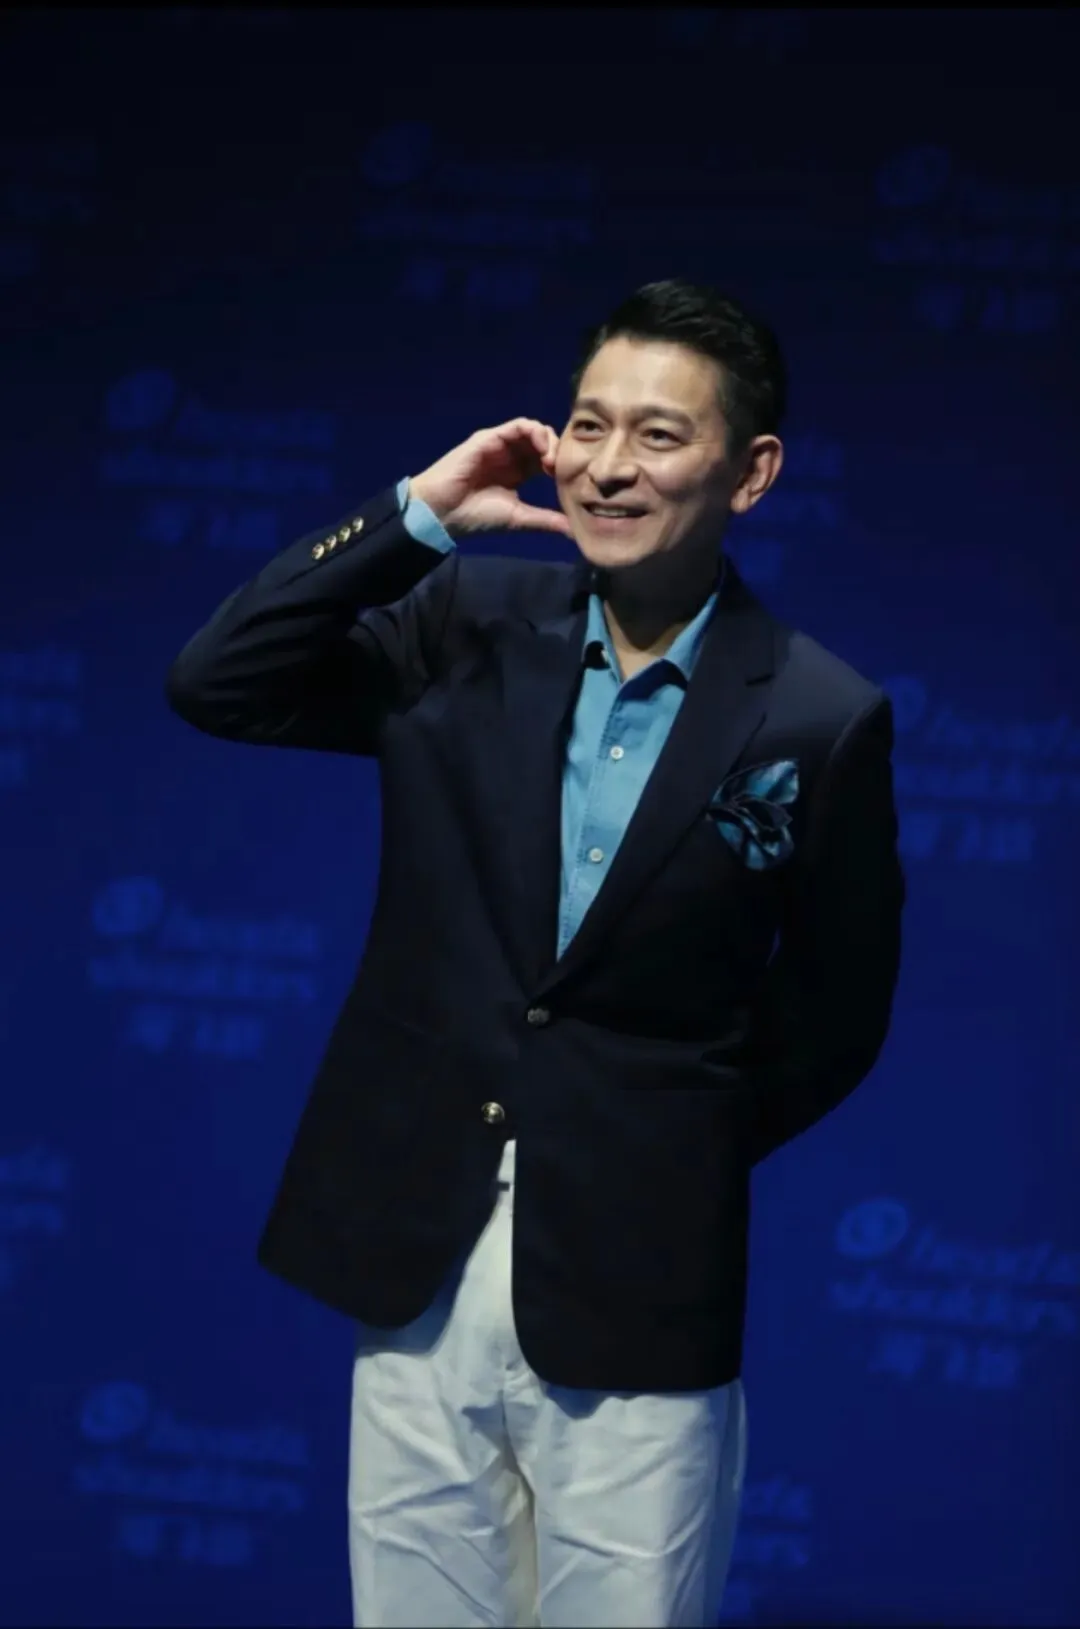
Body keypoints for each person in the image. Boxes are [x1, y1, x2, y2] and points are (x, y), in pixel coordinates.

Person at [166, 278, 905, 1629]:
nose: (609, 466)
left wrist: (665, 1136)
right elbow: (219, 681)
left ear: (751, 474)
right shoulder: (461, 623)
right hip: (414, 1251)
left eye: (659, 435)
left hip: (641, 1283)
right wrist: (419, 516)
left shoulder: (819, 715)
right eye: (589, 423)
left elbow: (839, 1010)